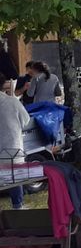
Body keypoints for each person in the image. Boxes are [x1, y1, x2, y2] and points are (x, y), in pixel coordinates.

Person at [0, 72, 31, 209]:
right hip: (12, 147)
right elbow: (26, 121)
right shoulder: (12, 101)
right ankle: (18, 206)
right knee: (15, 177)